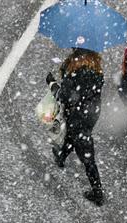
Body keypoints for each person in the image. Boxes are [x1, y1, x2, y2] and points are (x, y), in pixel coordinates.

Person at [46, 48, 104, 206]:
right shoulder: (96, 67)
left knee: (85, 150)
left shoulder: (74, 70)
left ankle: (97, 191)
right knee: (74, 135)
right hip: (92, 112)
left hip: (78, 115)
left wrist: (52, 84)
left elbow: (63, 96)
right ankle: (61, 156)